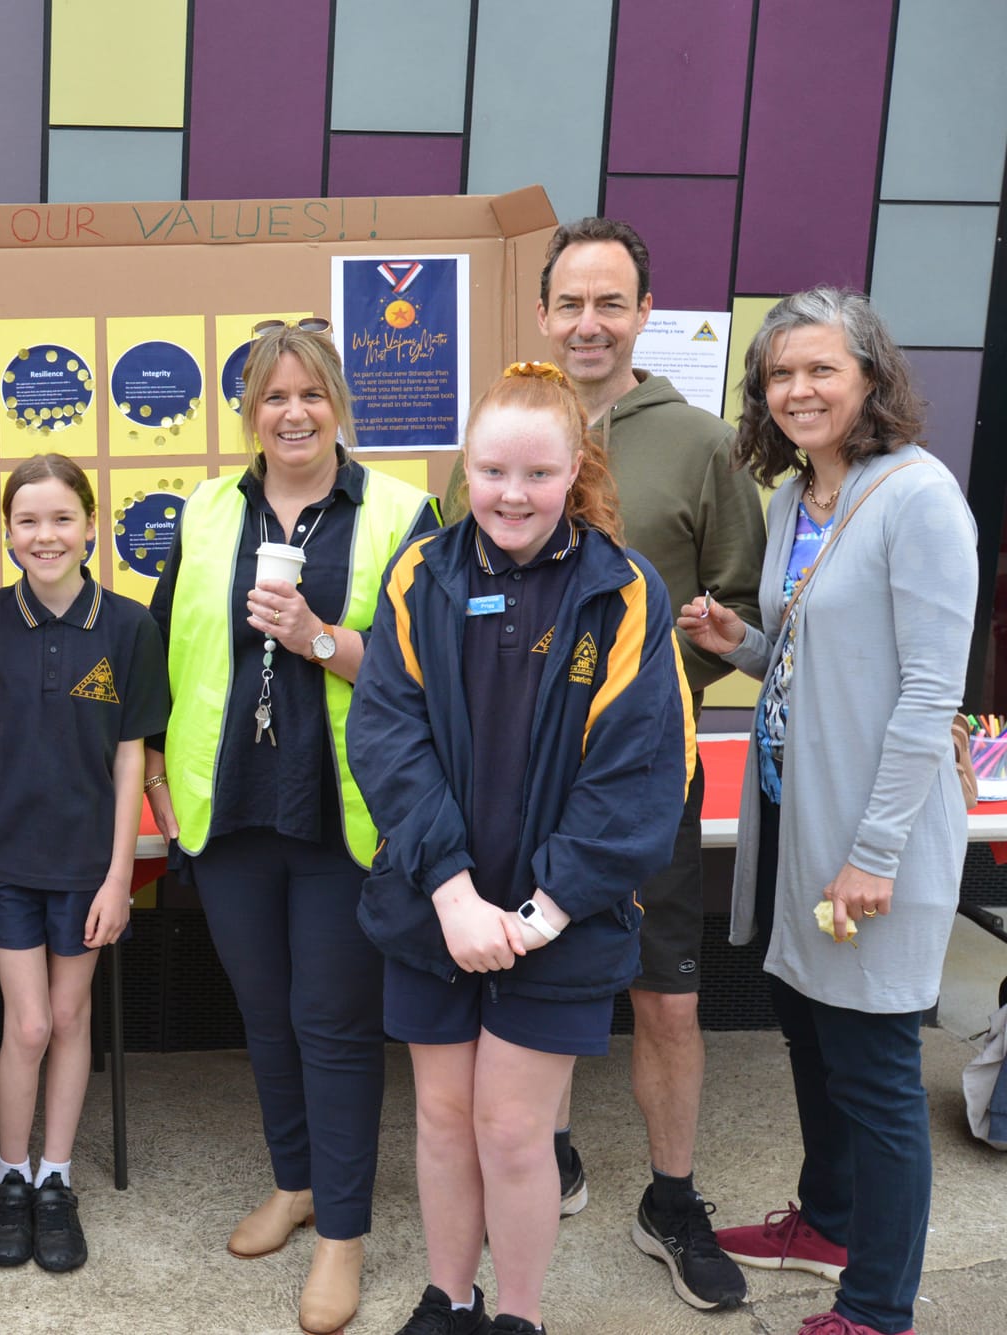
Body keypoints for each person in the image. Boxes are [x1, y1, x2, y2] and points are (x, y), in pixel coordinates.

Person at [447, 218, 763, 1309]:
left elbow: (739, 607)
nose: (588, 322)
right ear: (542, 314)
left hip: (635, 786)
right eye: (569, 303)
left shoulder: (698, 444)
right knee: (535, 974)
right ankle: (555, 1152)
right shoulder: (496, 435)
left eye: (610, 302)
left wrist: (652, 709)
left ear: (641, 315)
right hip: (508, 785)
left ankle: (670, 1197)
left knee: (664, 997)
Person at [350, 362, 692, 1335]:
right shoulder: (423, 572)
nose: (511, 494)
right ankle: (446, 1297)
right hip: (433, 906)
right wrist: (453, 897)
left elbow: (636, 775)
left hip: (560, 926)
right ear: (464, 466)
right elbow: (386, 737)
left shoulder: (624, 594)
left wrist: (542, 911)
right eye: (492, 471)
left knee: (509, 1132)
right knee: (440, 1122)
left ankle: (518, 1316)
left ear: (574, 468)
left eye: (536, 474)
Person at [681, 288, 976, 1335]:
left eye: (819, 369)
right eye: (778, 375)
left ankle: (876, 1305)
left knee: (876, 1075)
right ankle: (826, 1220)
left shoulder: (917, 497)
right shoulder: (795, 502)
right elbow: (817, 665)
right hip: (793, 830)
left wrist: (874, 855)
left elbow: (924, 693)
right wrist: (738, 645)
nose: (796, 389)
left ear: (868, 378)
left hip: (867, 844)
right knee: (809, 1035)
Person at [142, 320, 439, 1335]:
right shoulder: (206, 509)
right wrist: (150, 761)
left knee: (333, 1024)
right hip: (228, 812)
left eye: (310, 394)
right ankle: (294, 1181)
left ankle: (342, 1235)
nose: (292, 413)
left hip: (341, 818)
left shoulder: (401, 512)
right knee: (264, 1015)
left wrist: (316, 639)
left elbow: (426, 669)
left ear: (338, 405)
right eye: (272, 397)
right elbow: (161, 647)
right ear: (248, 412)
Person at [0, 455, 169, 1274]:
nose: (45, 536)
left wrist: (120, 876)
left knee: (73, 1019)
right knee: (31, 1022)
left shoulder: (128, 625)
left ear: (91, 524)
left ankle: (57, 1178)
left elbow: (129, 761)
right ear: (6, 533)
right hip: (4, 858)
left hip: (86, 866)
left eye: (61, 519)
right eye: (27, 522)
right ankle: (10, 1176)